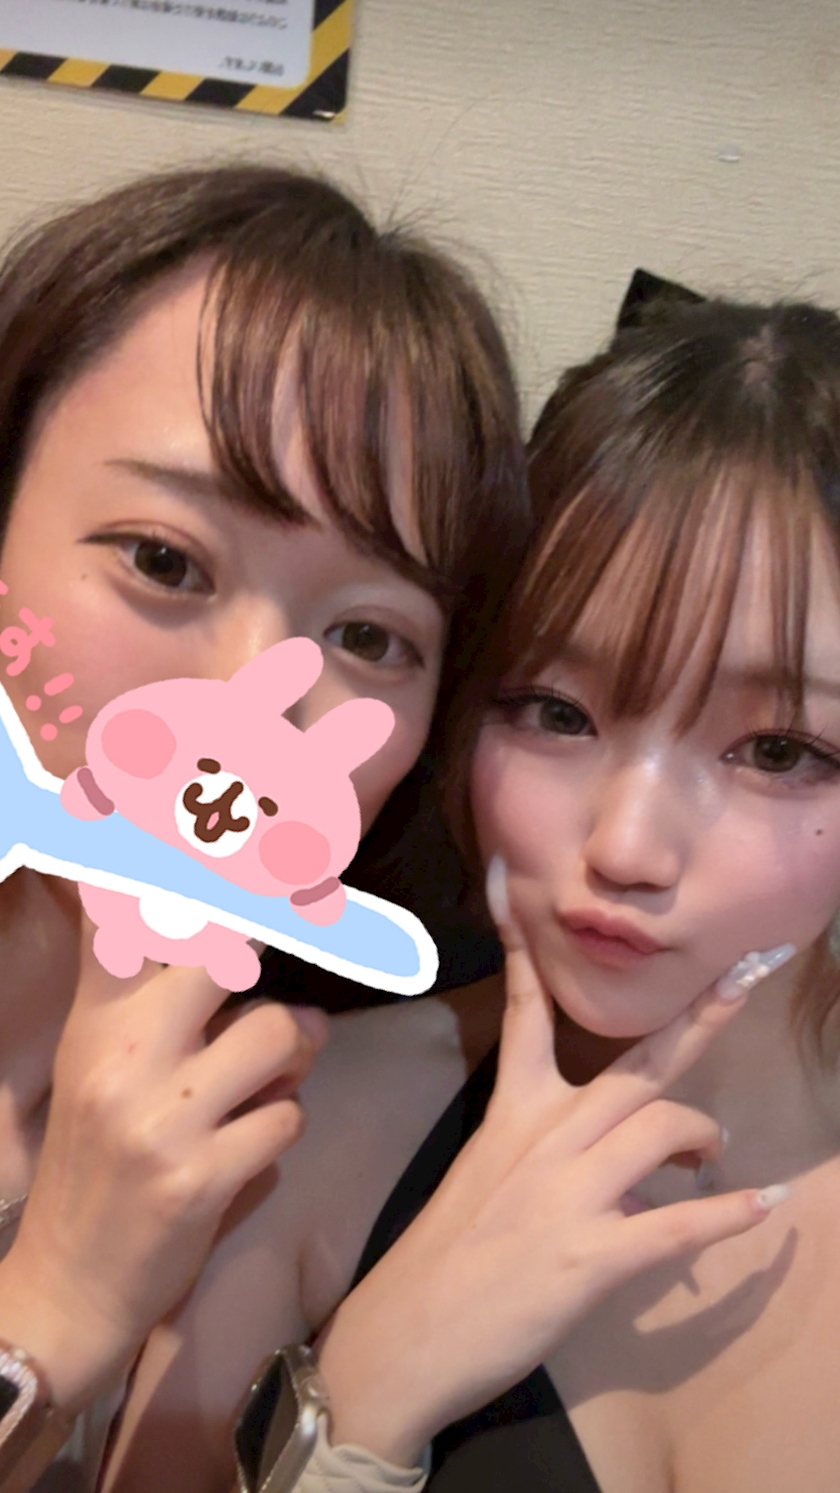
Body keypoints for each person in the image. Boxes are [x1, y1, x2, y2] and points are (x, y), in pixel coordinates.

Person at [110, 293, 840, 1493]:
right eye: (557, 711)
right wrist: (361, 1400)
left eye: (775, 749)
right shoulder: (299, 1130)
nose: (628, 845)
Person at [0, 162, 531, 1490]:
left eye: (369, 637)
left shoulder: (337, 1110)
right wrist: (53, 1307)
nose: (252, 699)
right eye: (164, 559)